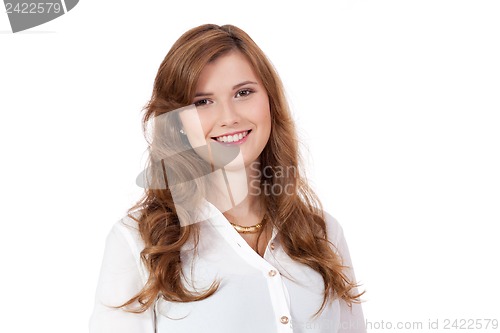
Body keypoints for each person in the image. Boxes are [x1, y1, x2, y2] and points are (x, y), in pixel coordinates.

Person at [89, 24, 366, 333]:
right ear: (178, 121)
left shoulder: (323, 233)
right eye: (202, 102)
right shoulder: (137, 241)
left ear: (270, 100)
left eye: (243, 93)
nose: (229, 116)